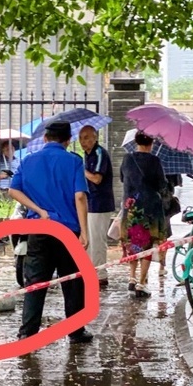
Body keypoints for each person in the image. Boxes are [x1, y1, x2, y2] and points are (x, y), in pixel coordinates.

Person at [8, 120, 92, 344]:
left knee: (35, 282)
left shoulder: (28, 160)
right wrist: (84, 232)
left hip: (39, 229)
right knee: (72, 281)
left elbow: (13, 190)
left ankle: (27, 333)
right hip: (67, 231)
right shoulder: (74, 161)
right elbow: (80, 197)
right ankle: (75, 331)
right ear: (67, 140)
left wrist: (37, 210)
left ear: (45, 139)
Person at [119, 130, 168, 298]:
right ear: (151, 143)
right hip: (149, 210)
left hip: (130, 208)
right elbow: (162, 185)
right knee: (146, 244)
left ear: (136, 142)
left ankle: (131, 278)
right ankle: (141, 282)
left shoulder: (127, 159)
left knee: (133, 243)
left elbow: (121, 178)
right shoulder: (155, 161)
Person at [77, 125, 114, 288]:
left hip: (100, 203)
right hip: (89, 202)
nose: (83, 142)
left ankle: (100, 275)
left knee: (97, 240)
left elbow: (97, 179)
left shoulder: (99, 153)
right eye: (81, 138)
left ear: (95, 137)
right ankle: (89, 271)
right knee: (88, 240)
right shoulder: (86, 155)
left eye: (86, 137)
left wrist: (81, 170)